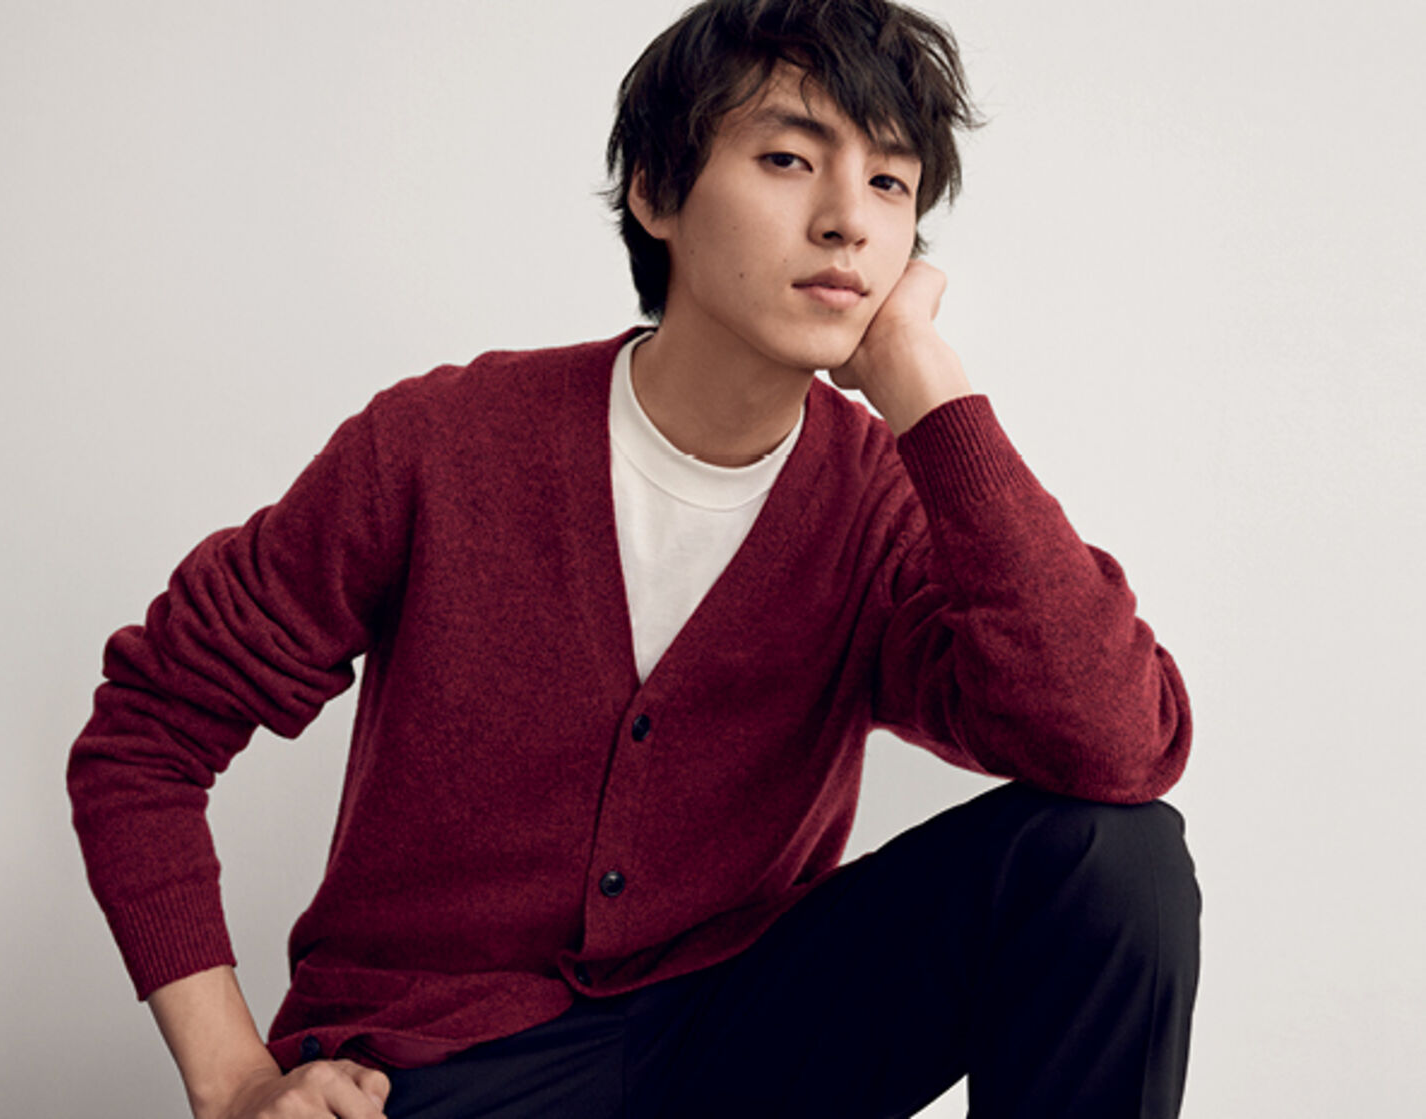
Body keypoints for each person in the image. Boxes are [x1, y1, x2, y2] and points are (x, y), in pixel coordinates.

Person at [68, 1, 1200, 1115]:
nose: (848, 221)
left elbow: (1115, 747)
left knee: (1111, 859)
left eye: (891, 182)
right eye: (789, 159)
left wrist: (933, 402)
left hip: (745, 1047)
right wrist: (235, 1079)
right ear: (656, 192)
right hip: (440, 1062)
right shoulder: (441, 445)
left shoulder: (883, 502)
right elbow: (149, 733)